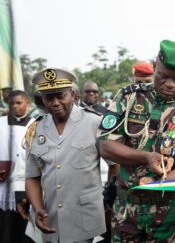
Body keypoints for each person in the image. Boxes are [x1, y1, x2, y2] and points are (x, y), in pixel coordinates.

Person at [98, 40, 175, 242]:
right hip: (126, 208)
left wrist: (160, 182)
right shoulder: (129, 98)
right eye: (163, 76)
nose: (170, 84)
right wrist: (146, 157)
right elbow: (105, 145)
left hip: (168, 211)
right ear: (155, 66)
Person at [25, 68, 106, 243]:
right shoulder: (35, 129)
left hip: (86, 218)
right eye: (48, 98)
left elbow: (115, 166)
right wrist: (37, 208)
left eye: (60, 96)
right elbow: (32, 177)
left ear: (73, 95)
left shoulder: (95, 122)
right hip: (50, 218)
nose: (55, 102)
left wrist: (109, 203)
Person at [0, 90, 34, 243]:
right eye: (12, 103)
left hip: (25, 185)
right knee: (3, 229)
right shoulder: (0, 122)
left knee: (22, 229)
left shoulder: (35, 125)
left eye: (19, 103)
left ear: (27, 103)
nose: (15, 106)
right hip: (2, 184)